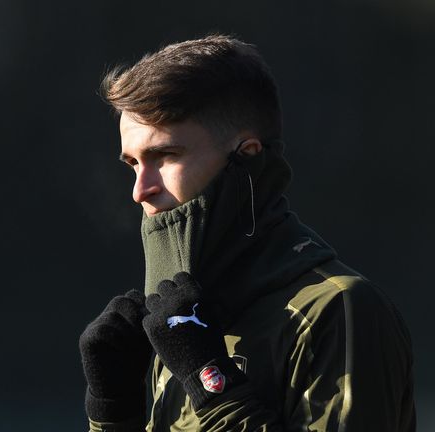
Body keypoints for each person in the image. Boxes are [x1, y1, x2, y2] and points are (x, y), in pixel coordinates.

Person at [78, 35, 416, 431]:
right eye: (132, 164)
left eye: (165, 156)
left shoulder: (338, 309)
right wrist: (113, 413)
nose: (140, 190)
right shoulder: (181, 325)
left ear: (247, 158)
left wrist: (211, 381)